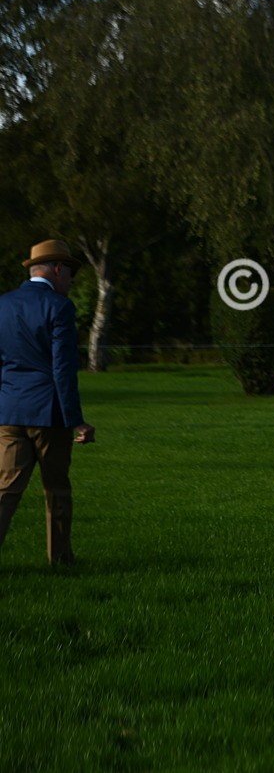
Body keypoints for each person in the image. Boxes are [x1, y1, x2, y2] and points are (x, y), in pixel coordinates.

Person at [0, 239, 96, 565]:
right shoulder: (59, 307)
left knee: (6, 491)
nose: (71, 281)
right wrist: (76, 420)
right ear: (57, 269)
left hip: (9, 411)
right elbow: (63, 370)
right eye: (70, 273)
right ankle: (61, 559)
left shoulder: (3, 304)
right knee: (57, 490)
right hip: (49, 414)